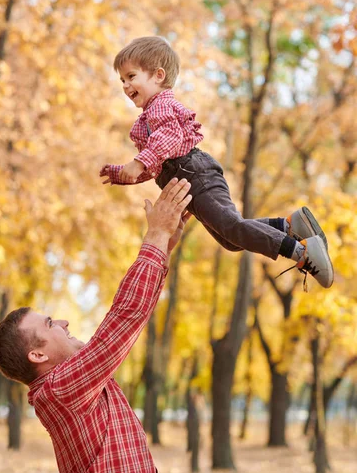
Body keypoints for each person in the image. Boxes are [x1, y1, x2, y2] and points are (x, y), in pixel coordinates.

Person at [0, 178, 193, 473]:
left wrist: (163, 246)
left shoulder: (77, 386)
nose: (63, 323)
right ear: (37, 353)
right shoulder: (59, 391)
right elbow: (123, 320)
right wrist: (155, 235)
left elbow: (130, 321)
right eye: (49, 323)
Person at [100, 36, 333, 289]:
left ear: (158, 75)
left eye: (131, 76)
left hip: (195, 173)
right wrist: (126, 173)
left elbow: (169, 136)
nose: (125, 85)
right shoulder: (145, 121)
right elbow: (156, 161)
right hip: (187, 181)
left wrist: (139, 162)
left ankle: (301, 252)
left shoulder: (161, 106)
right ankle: (288, 226)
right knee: (231, 240)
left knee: (232, 228)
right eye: (122, 80)